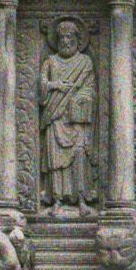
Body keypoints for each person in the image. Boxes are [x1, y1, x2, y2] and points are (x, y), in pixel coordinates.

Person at [39, 16, 97, 213]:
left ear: (77, 39)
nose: (65, 41)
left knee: (79, 154)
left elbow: (89, 89)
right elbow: (41, 86)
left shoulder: (85, 62)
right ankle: (57, 199)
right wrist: (56, 85)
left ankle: (81, 197)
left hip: (76, 117)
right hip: (55, 116)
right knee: (56, 160)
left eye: (69, 37)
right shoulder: (51, 62)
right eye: (62, 37)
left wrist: (79, 99)